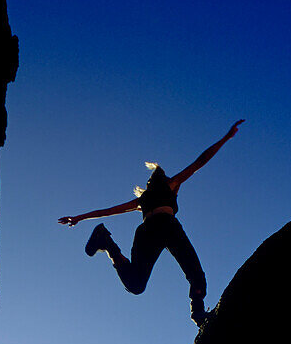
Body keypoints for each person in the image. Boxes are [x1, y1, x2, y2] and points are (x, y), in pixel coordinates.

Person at [58, 120, 243, 326]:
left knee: (140, 284)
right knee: (194, 274)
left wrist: (79, 218)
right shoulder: (164, 188)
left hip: (152, 230)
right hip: (165, 227)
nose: (159, 178)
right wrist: (79, 217)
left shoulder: (149, 197)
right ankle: (198, 312)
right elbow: (199, 162)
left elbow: (199, 162)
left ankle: (107, 243)